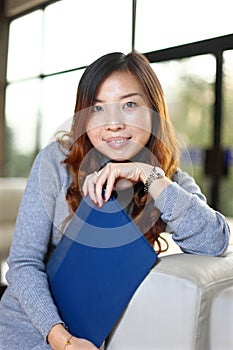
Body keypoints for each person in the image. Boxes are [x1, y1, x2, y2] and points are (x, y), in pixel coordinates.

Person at [0, 51, 230, 350]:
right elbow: (23, 263)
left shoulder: (168, 182)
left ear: (154, 111)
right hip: (30, 330)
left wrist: (149, 176)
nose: (113, 123)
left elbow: (214, 242)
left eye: (130, 104)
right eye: (97, 108)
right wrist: (63, 341)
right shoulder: (57, 161)